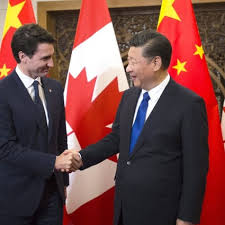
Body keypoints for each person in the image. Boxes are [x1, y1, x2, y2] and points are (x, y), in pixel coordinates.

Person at [72, 30, 209, 225]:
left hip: (162, 212)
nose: (128, 68)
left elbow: (196, 168)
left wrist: (186, 218)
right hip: (124, 208)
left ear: (156, 63)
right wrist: (81, 157)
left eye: (134, 62)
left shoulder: (189, 104)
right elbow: (117, 138)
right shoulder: (129, 97)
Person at [0, 23, 77, 225]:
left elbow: (60, 139)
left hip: (52, 196)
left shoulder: (55, 88)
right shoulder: (3, 92)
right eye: (45, 58)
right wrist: (52, 163)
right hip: (15, 198)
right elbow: (4, 147)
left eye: (51, 56)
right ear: (23, 56)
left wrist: (64, 184)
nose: (51, 64)